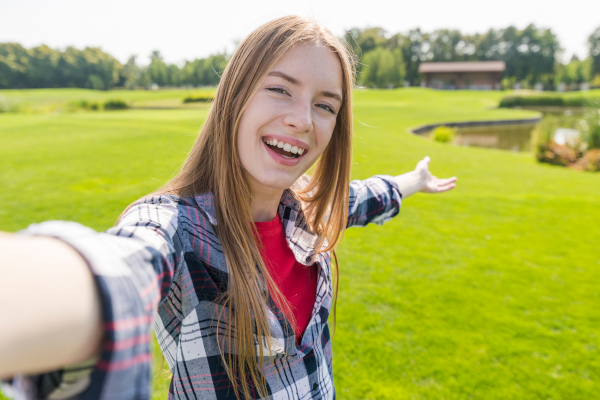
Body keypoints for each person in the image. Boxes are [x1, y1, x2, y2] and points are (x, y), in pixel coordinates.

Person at [0, 15, 456, 400]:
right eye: (280, 89)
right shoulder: (177, 228)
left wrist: (413, 181)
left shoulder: (308, 212)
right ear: (235, 96)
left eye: (325, 105)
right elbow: (122, 267)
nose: (302, 119)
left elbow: (358, 198)